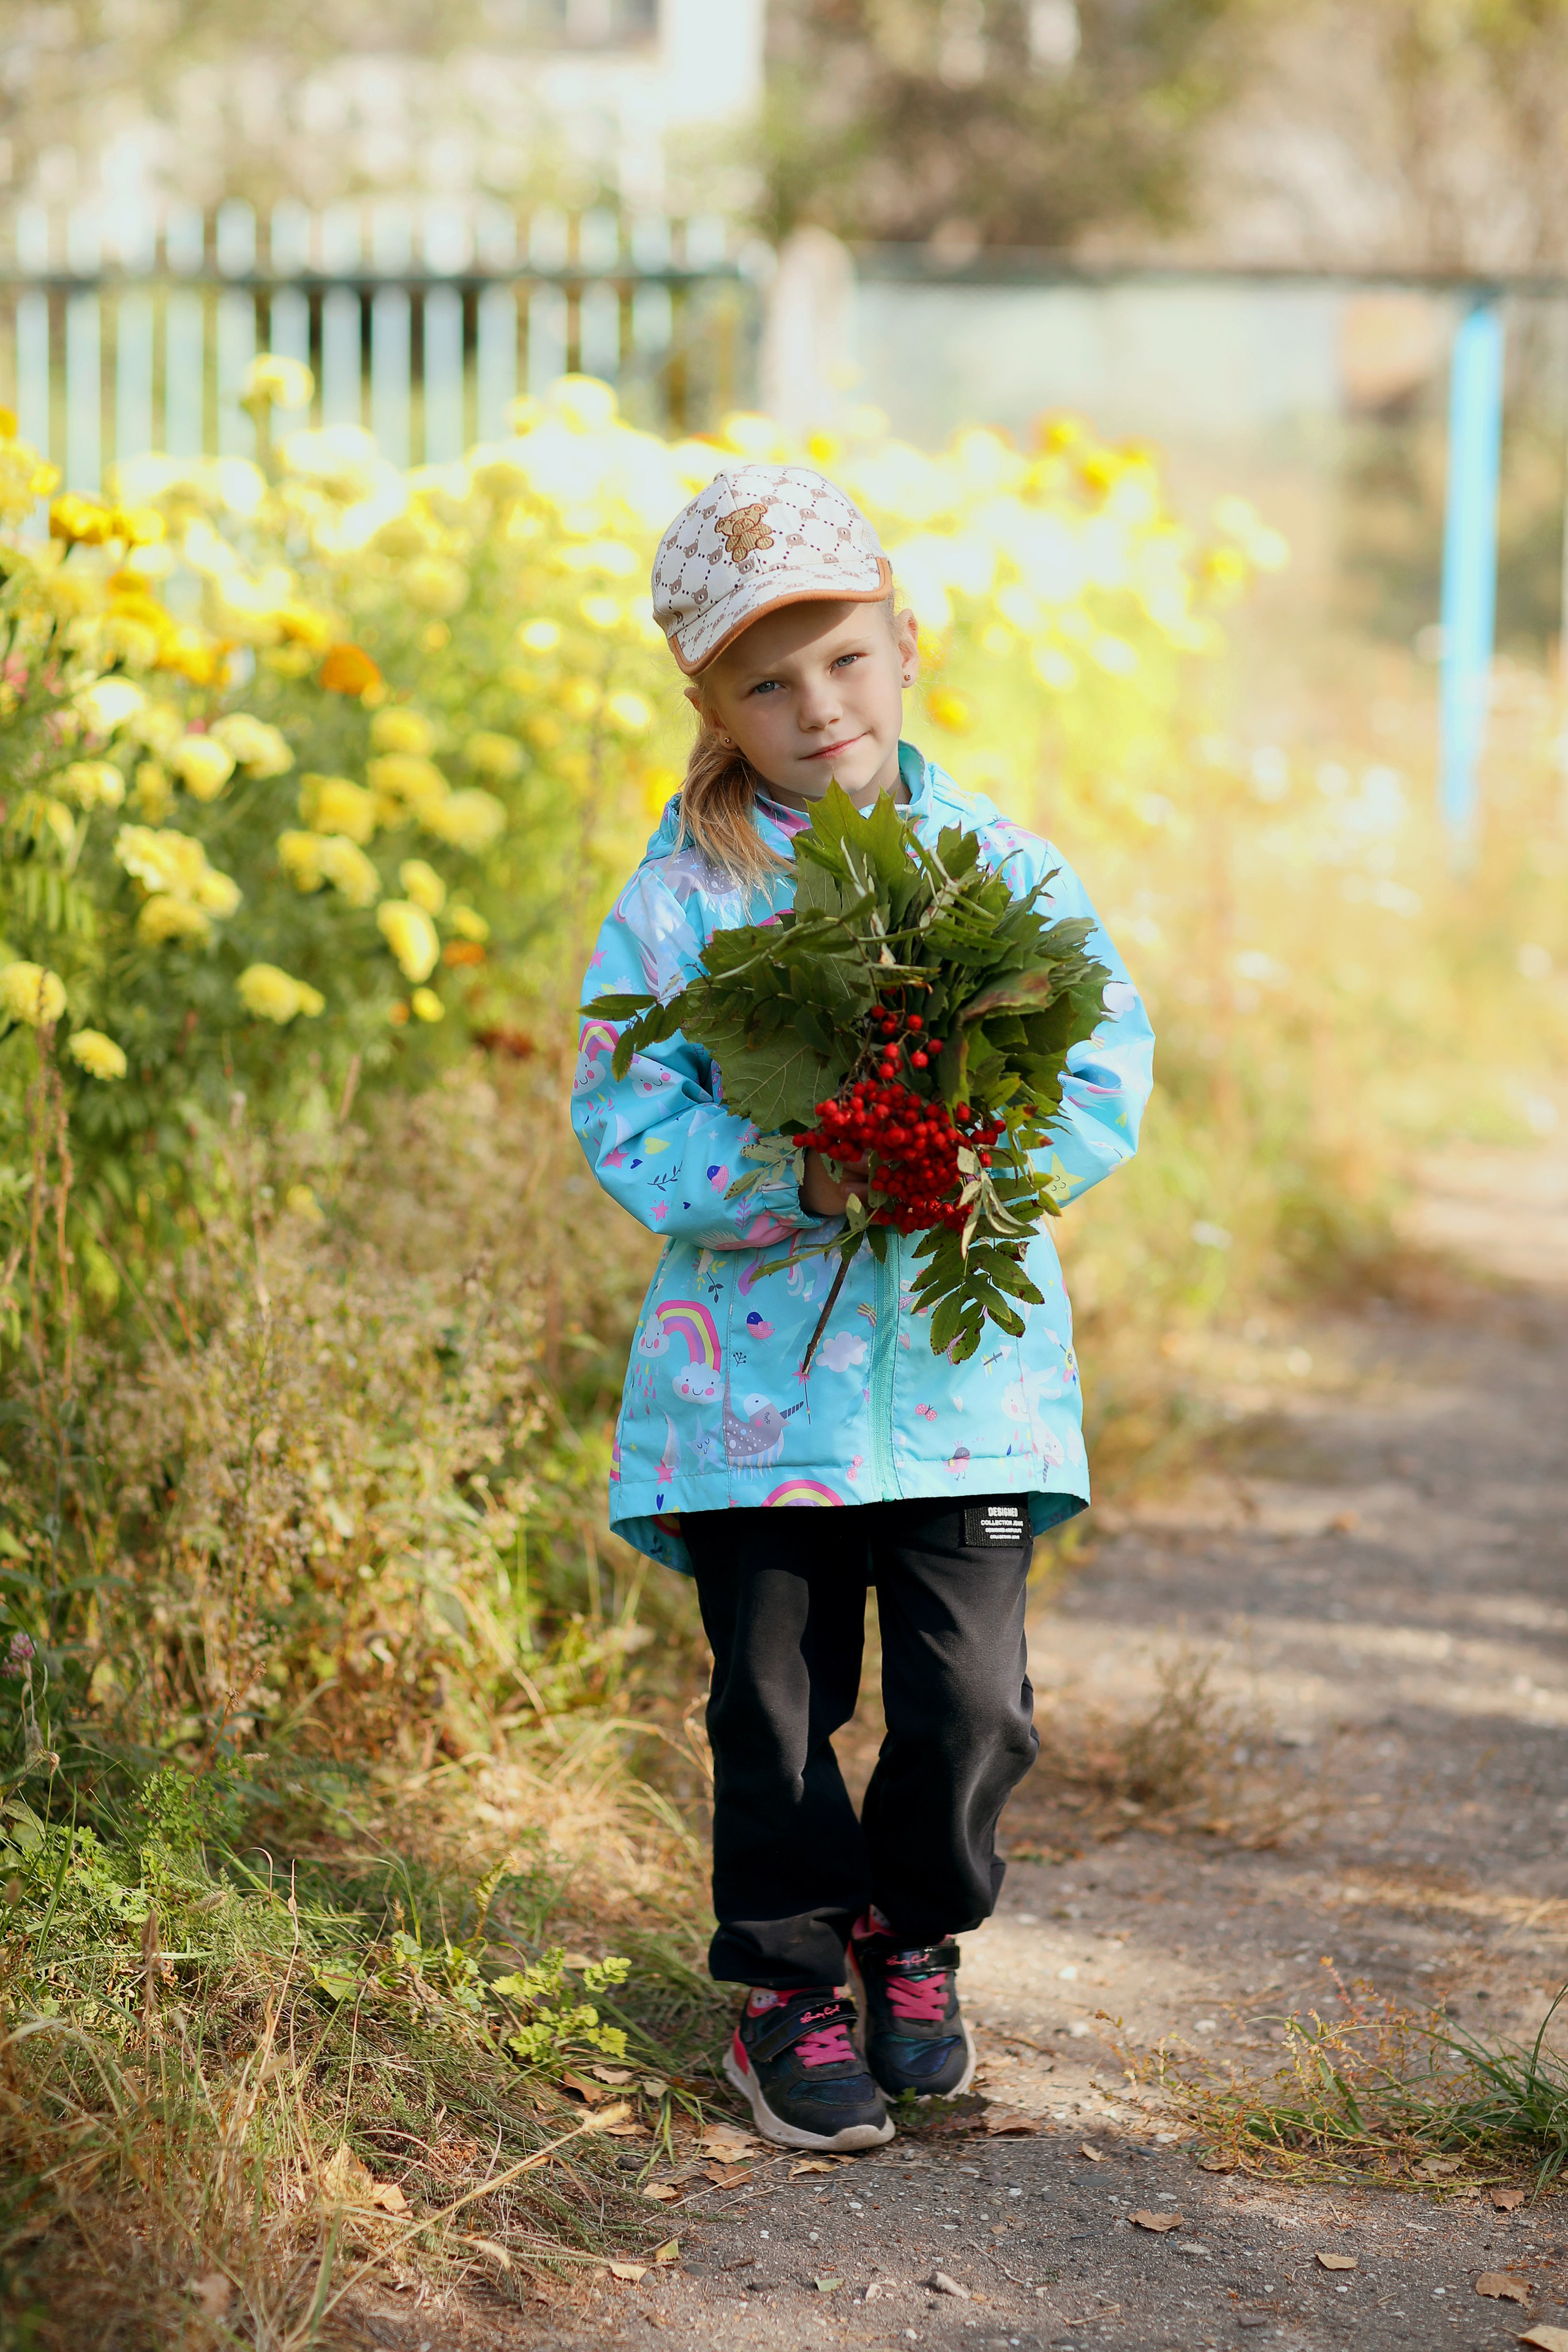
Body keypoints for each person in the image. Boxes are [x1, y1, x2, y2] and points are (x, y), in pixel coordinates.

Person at [573, 464, 1153, 2150]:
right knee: (774, 1704)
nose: (813, 706)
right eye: (765, 680)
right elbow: (625, 1110)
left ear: (907, 648)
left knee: (971, 1704)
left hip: (964, 1384)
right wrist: (801, 1182)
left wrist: (971, 1147)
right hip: (751, 1403)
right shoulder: (682, 899)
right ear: (710, 703)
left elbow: (1099, 1063)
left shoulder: (1000, 871)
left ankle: (915, 1933)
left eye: (841, 660)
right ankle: (783, 1985)